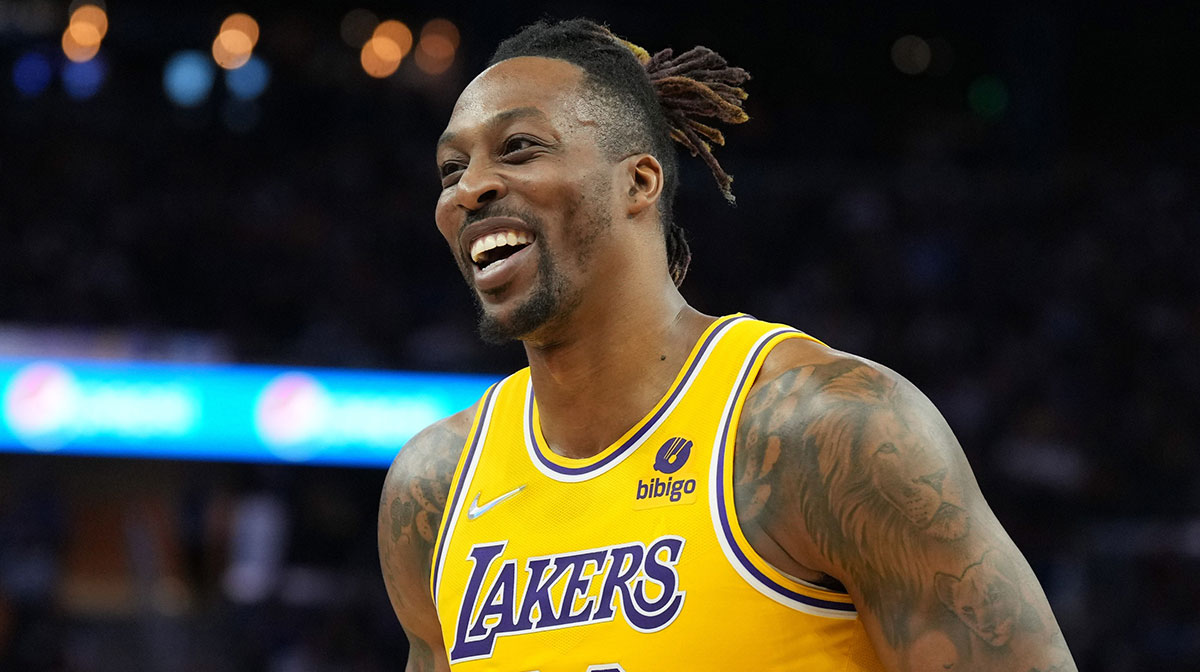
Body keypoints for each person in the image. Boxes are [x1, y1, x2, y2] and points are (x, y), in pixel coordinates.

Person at [378, 18, 1078, 672]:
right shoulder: (433, 490)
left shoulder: (829, 430)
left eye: (518, 148)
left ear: (639, 181)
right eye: (449, 169)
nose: (468, 189)